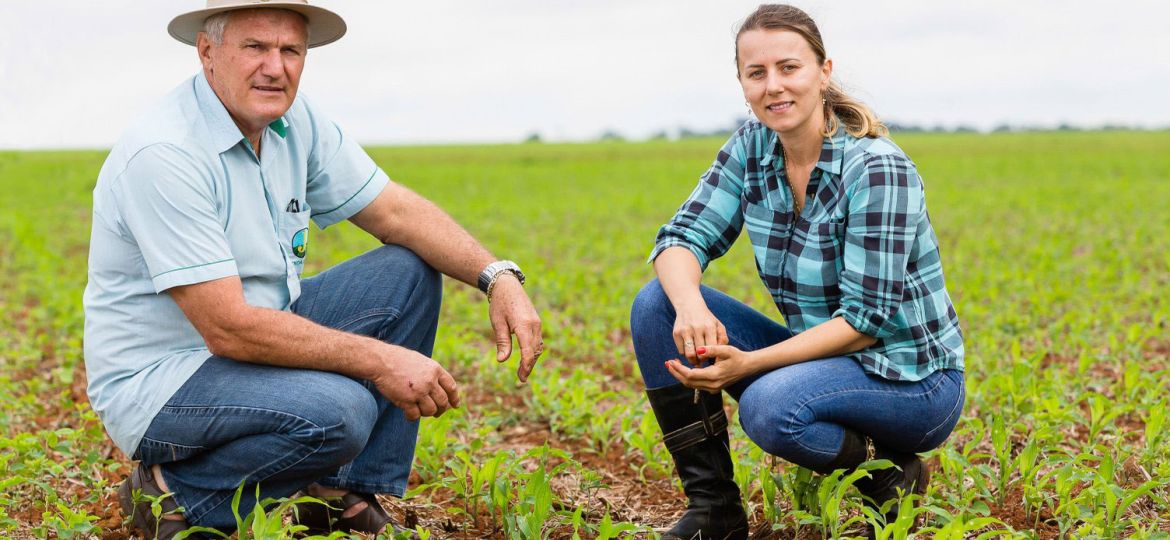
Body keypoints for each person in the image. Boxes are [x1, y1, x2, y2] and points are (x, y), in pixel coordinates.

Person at [82, 2, 543, 537]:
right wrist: (380, 360)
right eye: (255, 47)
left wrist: (498, 276)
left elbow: (393, 211)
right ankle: (171, 493)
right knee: (340, 412)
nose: (275, 67)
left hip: (251, 336)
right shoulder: (165, 152)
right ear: (207, 53)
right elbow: (227, 327)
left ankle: (338, 492)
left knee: (407, 271)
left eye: (290, 50)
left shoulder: (293, 122)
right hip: (163, 380)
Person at [629, 4, 966, 538]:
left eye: (790, 67)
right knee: (658, 302)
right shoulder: (752, 147)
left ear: (823, 71)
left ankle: (889, 474)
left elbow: (864, 322)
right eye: (756, 73)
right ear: (741, 82)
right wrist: (690, 306)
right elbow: (680, 237)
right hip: (826, 358)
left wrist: (746, 366)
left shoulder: (877, 169)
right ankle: (714, 509)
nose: (773, 86)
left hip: (913, 383)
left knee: (768, 407)